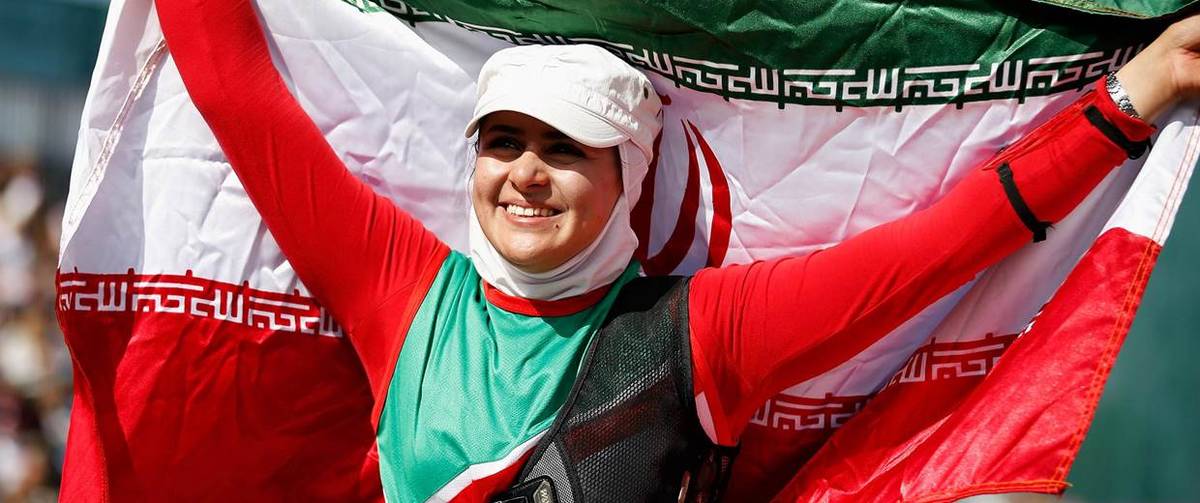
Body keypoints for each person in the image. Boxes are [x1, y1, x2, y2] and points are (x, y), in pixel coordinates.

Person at [157, 2, 1200, 500]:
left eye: (566, 150)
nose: (525, 174)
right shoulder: (404, 298)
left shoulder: (701, 336)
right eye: (503, 142)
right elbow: (239, 96)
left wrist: (1130, 98)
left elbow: (932, 251)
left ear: (629, 177)